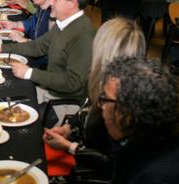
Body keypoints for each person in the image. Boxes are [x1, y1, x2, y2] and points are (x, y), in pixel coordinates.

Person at [43, 18, 146, 157]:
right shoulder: (110, 80)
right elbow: (87, 110)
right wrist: (68, 128)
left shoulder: (121, 102)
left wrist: (69, 146)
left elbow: (112, 162)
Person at [0, 0, 95, 104]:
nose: (50, 2)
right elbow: (38, 47)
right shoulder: (64, 23)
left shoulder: (83, 34)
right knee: (0, 93)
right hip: (50, 91)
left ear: (72, 3)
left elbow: (73, 82)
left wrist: (30, 73)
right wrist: (1, 49)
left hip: (63, 103)